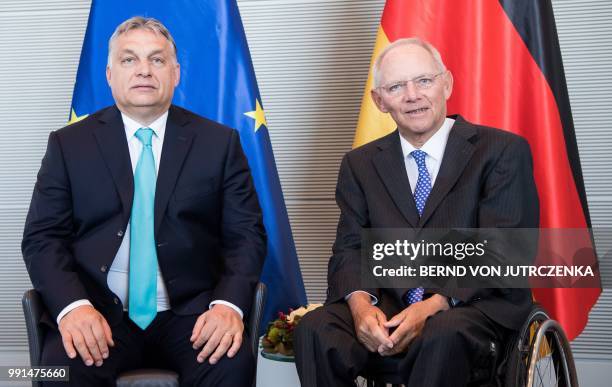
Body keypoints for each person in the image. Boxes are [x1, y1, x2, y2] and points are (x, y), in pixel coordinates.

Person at [22, 16, 266, 386]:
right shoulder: (68, 145)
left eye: (157, 59)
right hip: (98, 312)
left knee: (231, 365)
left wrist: (228, 306)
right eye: (129, 59)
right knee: (58, 371)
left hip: (192, 314)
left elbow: (246, 235)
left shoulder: (219, 144)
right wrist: (74, 308)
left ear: (176, 73)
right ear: (109, 74)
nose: (144, 71)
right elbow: (42, 239)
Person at [294, 37, 539, 387]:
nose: (412, 95)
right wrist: (362, 308)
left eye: (424, 80)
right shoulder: (360, 164)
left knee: (443, 332)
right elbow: (350, 248)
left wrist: (435, 304)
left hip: (473, 306)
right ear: (380, 101)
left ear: (447, 84)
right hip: (392, 302)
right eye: (396, 86)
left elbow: (504, 250)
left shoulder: (500, 151)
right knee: (316, 329)